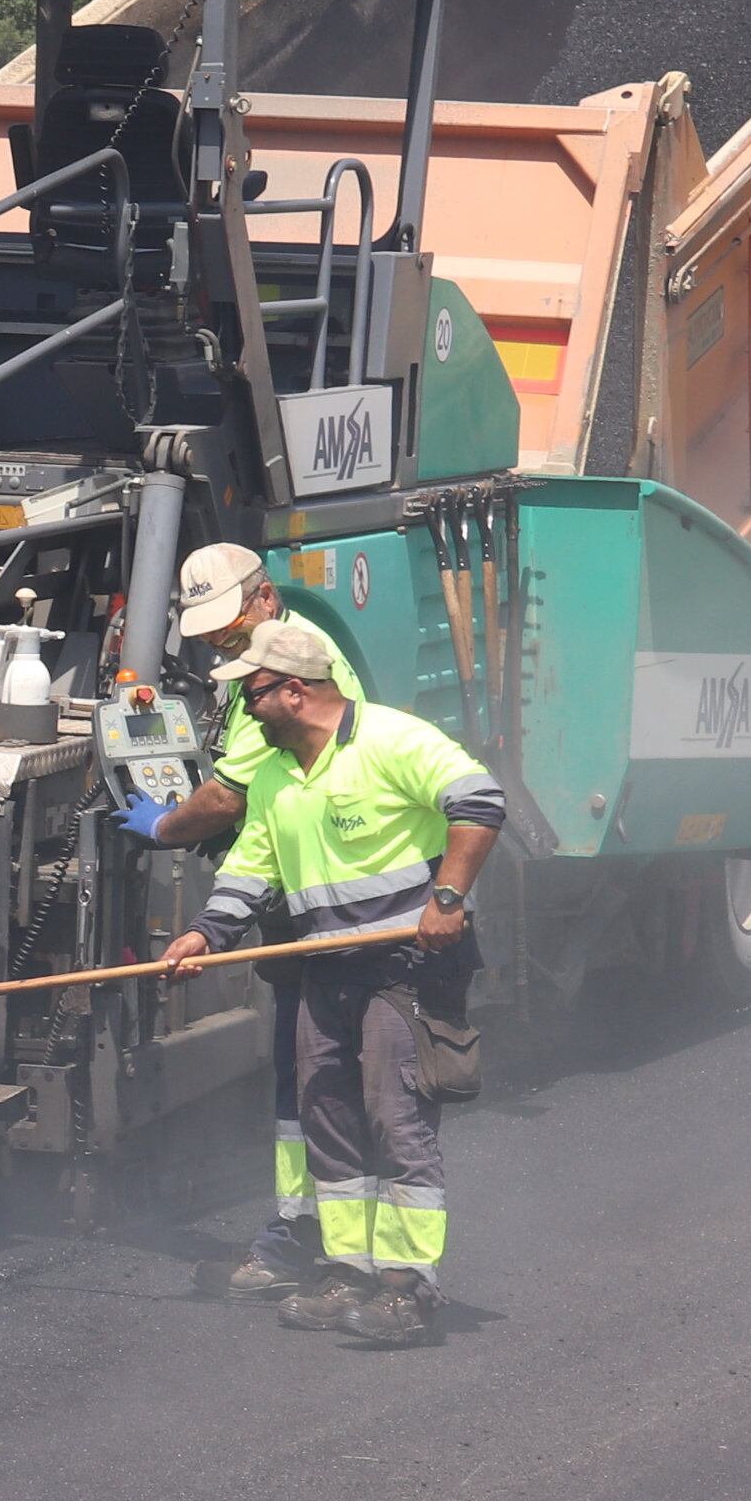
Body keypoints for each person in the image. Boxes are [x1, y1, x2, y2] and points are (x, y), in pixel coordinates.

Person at [159, 618, 505, 1347]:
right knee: (330, 1119)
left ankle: (410, 1289)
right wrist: (205, 932)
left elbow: (479, 803)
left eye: (252, 696)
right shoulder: (280, 777)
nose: (245, 714)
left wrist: (447, 899)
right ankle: (349, 1269)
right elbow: (252, 870)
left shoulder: (392, 740)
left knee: (397, 1122)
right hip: (327, 968)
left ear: (295, 690)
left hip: (401, 971)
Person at [121, 544, 360, 1298]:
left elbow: (231, 802)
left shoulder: (286, 680)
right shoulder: (258, 671)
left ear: (262, 599)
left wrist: (164, 827)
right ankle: (311, 1237)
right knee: (307, 1074)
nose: (220, 642)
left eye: (228, 624)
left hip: (322, 910)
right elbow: (257, 828)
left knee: (320, 1077)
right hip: (299, 897)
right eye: (209, 632)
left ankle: (319, 1248)